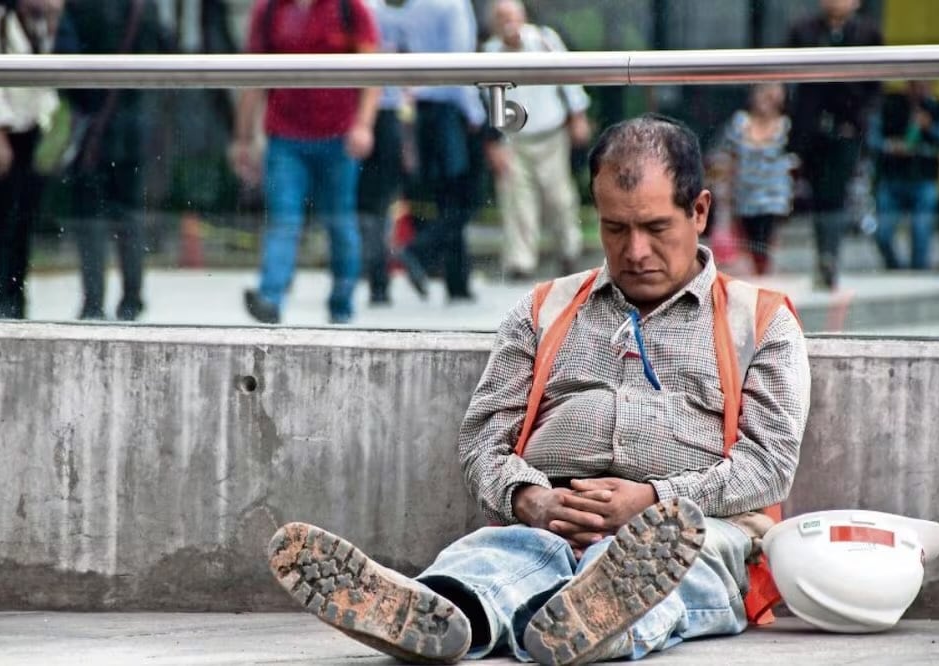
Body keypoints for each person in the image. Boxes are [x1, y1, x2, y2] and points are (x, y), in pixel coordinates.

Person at [266, 115, 811, 664]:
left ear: (699, 211)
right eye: (615, 229)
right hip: (547, 520)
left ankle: (597, 616)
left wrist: (654, 501)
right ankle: (447, 613)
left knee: (681, 566)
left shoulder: (759, 321)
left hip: (691, 531)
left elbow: (770, 462)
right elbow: (483, 441)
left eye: (655, 227)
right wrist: (533, 500)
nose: (635, 251)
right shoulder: (543, 309)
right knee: (489, 559)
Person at [233, 0, 381, 325]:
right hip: (285, 136)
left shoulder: (349, 8)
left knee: (340, 221)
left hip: (339, 135)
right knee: (284, 219)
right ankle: (270, 299)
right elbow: (252, 78)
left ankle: (341, 302)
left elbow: (373, 71)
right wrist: (243, 138)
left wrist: (364, 125)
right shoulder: (270, 10)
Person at [64, 0, 171, 321]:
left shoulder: (80, 8)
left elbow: (65, 56)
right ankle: (131, 298)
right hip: (132, 121)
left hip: (92, 123)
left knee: (90, 215)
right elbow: (165, 48)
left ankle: (94, 301)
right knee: (127, 214)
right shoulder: (143, 7)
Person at [482, 0, 591, 281]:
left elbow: (570, 78)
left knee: (560, 197)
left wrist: (577, 115)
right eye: (501, 17)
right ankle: (521, 262)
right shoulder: (490, 52)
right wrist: (493, 142)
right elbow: (486, 102)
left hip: (551, 133)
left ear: (522, 17)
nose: (507, 22)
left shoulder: (544, 40)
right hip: (513, 139)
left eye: (511, 16)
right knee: (517, 201)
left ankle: (569, 250)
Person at [0, 0, 62, 318]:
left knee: (22, 219)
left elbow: (44, 79)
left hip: (29, 129)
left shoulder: (35, 24)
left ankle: (16, 297)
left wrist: (52, 21)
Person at [394, 0, 487, 303]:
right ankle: (418, 251)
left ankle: (457, 281)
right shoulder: (453, 6)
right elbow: (460, 65)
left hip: (426, 108)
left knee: (448, 198)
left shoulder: (413, 6)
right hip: (452, 109)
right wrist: (476, 114)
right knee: (467, 197)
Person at [787, 0, 882, 289]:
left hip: (847, 127)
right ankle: (823, 255)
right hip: (811, 129)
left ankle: (831, 256)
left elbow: (875, 85)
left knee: (837, 192)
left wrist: (858, 118)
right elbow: (789, 78)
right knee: (818, 193)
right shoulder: (803, 30)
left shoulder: (867, 33)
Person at [357, 0, 409, 307]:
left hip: (383, 113)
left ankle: (376, 276)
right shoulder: (367, 10)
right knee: (373, 207)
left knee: (373, 206)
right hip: (372, 115)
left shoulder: (371, 11)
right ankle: (374, 276)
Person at [870, 80, 939, 270]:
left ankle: (918, 272)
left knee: (921, 232)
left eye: (924, 85)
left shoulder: (937, 108)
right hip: (892, 179)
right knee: (883, 233)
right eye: (915, 85)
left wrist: (930, 127)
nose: (920, 90)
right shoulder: (891, 106)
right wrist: (891, 146)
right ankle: (894, 268)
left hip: (923, 179)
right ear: (908, 85)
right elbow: (873, 138)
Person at [720, 83, 798, 276]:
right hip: (745, 196)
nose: (766, 99)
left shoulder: (786, 125)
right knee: (750, 244)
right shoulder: (739, 122)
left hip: (774, 197)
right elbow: (730, 159)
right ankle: (759, 277)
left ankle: (765, 276)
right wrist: (726, 195)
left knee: (766, 243)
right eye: (763, 92)